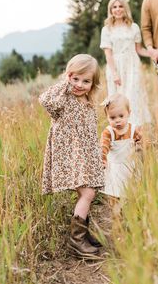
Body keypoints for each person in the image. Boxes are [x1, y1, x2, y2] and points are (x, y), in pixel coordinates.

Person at [39, 54, 104, 258]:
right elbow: (44, 100)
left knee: (86, 192)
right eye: (75, 78)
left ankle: (82, 235)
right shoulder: (63, 99)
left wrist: (97, 155)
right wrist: (64, 85)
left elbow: (90, 132)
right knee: (88, 193)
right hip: (68, 155)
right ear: (68, 76)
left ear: (93, 84)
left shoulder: (87, 101)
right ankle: (76, 242)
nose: (79, 85)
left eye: (86, 81)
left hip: (83, 155)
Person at [100, 0, 158, 126]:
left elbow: (139, 50)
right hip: (115, 66)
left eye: (120, 6)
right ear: (110, 10)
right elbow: (108, 54)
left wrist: (153, 54)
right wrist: (115, 73)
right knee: (117, 99)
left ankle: (136, 129)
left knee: (133, 96)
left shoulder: (133, 27)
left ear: (125, 8)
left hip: (132, 65)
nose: (118, 9)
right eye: (114, 7)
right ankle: (120, 130)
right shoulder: (107, 29)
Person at [100, 93, 142, 199]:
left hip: (130, 165)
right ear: (107, 117)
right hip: (115, 168)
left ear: (129, 113)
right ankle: (115, 210)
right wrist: (103, 159)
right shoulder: (108, 132)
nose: (117, 120)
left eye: (121, 116)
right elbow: (103, 147)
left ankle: (130, 208)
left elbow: (141, 142)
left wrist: (140, 146)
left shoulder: (134, 129)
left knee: (131, 189)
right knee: (115, 192)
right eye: (112, 117)